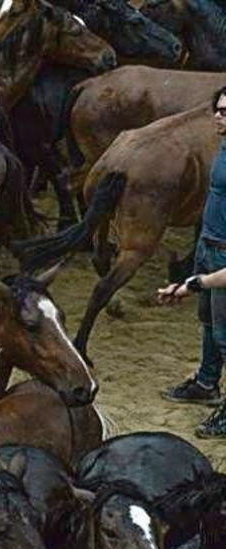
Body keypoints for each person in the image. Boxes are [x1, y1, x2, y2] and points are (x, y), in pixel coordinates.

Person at [157, 85, 226, 438]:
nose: (218, 115)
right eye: (218, 109)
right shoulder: (223, 148)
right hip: (210, 245)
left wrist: (197, 280)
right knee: (210, 323)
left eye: (225, 111)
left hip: (224, 254)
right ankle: (206, 382)